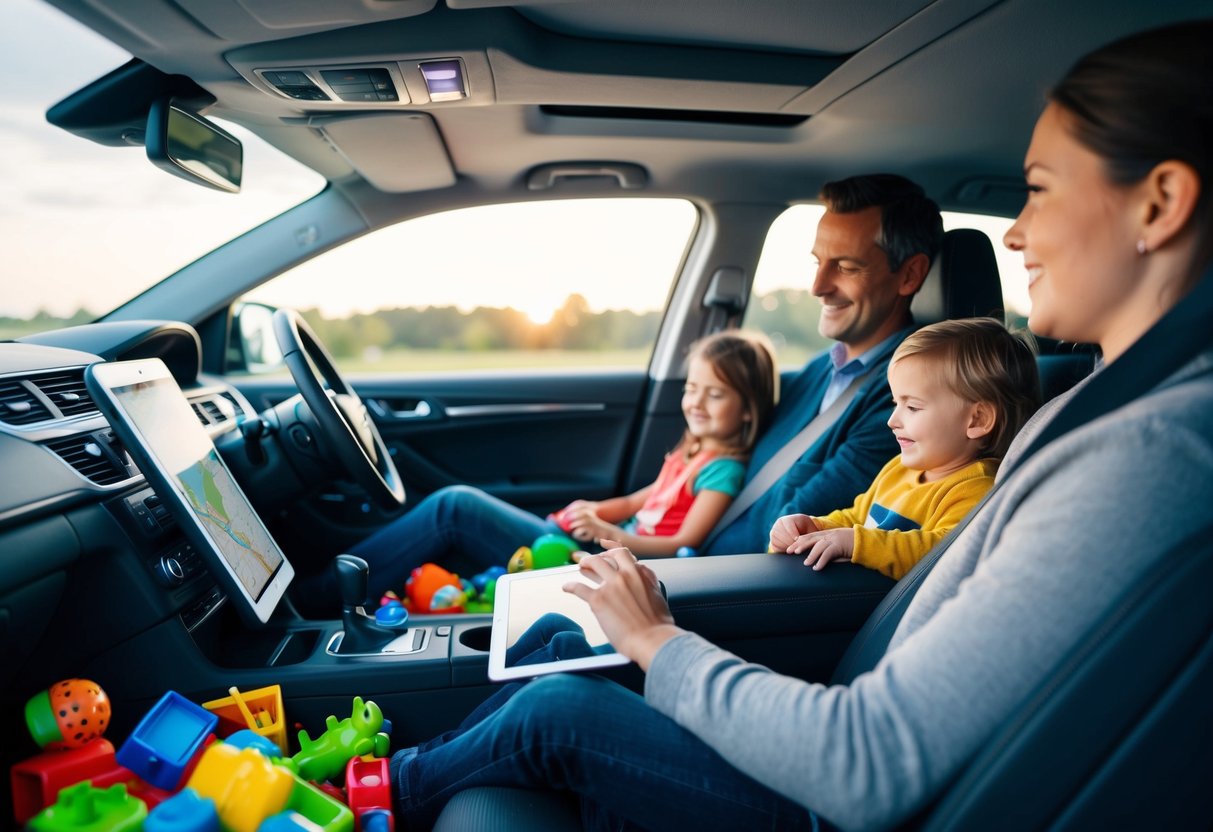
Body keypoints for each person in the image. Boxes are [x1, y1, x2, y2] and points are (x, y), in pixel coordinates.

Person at [386, 21, 1213, 831]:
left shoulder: (1149, 448)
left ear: (1160, 202)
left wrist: (657, 638)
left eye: (1037, 188)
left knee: (554, 710)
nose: (1014, 231)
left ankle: (365, 797)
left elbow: (869, 760)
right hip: (835, 707)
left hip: (838, 790)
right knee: (547, 695)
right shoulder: (1092, 412)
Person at [345, 174, 942, 597]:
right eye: (817, 260)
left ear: (909, 274)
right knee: (469, 515)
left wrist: (643, 557)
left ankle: (309, 604)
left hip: (698, 578)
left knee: (455, 509)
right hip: (667, 553)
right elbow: (722, 419)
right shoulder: (821, 371)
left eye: (847, 266)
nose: (817, 285)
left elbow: (793, 525)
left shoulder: (900, 403)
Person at [769, 318, 1040, 580]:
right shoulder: (898, 468)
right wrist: (816, 527)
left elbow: (941, 554)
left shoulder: (975, 489)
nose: (892, 420)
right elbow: (857, 516)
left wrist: (858, 544)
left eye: (912, 407)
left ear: (978, 420)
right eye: (895, 403)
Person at [556, 330, 778, 556]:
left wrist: (607, 533)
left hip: (636, 561)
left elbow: (683, 543)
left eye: (715, 394)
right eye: (691, 389)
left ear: (749, 409)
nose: (696, 403)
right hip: (616, 545)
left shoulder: (723, 471)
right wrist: (594, 511)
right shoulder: (690, 454)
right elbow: (633, 503)